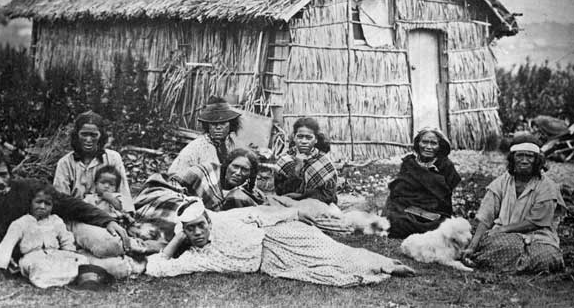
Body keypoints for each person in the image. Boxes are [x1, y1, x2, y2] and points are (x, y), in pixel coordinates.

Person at [145, 198, 415, 286]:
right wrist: (178, 238)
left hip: (279, 235)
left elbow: (261, 215)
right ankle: (376, 268)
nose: (198, 233)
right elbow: (157, 268)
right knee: (322, 273)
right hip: (269, 262)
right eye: (190, 230)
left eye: (200, 225)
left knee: (331, 251)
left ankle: (385, 263)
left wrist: (296, 213)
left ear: (209, 221)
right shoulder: (197, 257)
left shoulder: (227, 219)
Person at [0, 144, 128, 275]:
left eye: (3, 174)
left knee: (112, 244)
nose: (0, 181)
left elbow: (68, 203)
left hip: (64, 230)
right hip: (44, 255)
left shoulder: (29, 188)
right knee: (116, 268)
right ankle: (134, 262)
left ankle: (139, 246)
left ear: (10, 172)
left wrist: (106, 220)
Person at [462, 134, 566, 273]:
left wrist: (504, 229)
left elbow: (536, 221)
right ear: (513, 159)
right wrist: (472, 246)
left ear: (537, 160)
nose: (524, 160)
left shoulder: (547, 186)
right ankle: (522, 265)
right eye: (519, 156)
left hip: (539, 235)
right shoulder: (501, 183)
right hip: (504, 237)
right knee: (505, 245)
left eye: (529, 156)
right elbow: (486, 217)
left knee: (546, 256)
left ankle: (503, 264)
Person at [0, 183, 87, 288]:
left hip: (53, 255)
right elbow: (7, 245)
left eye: (47, 204)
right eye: (38, 202)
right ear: (30, 203)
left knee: (81, 260)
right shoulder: (21, 223)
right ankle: (57, 279)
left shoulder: (56, 221)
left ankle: (64, 277)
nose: (42, 206)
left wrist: (69, 254)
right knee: (38, 266)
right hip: (32, 258)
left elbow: (66, 239)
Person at [383, 127, 461, 238]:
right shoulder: (409, 163)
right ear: (418, 144)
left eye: (433, 143)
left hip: (434, 212)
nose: (428, 147)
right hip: (408, 210)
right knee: (395, 220)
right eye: (424, 142)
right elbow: (398, 192)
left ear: (440, 146)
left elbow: (445, 198)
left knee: (443, 225)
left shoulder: (446, 166)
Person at [54, 111, 134, 213]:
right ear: (76, 135)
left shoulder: (113, 158)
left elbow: (124, 193)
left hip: (110, 214)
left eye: (93, 135)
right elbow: (61, 202)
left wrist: (128, 217)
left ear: (101, 136)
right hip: (77, 217)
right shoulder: (65, 163)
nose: (88, 139)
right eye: (84, 134)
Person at [167, 96, 241, 180]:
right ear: (207, 125)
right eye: (214, 124)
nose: (218, 127)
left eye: (223, 123)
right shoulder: (201, 146)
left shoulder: (228, 144)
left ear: (231, 124)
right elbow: (174, 174)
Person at [274, 117, 338, 205]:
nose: (304, 141)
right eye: (300, 137)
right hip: (288, 205)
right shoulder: (284, 161)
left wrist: (301, 197)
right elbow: (280, 192)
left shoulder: (324, 162)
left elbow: (329, 195)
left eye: (309, 138)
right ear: (294, 138)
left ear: (315, 140)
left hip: (318, 205)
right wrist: (297, 168)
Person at [178, 148, 265, 211]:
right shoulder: (205, 172)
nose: (238, 173)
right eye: (235, 166)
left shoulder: (245, 191)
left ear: (250, 174)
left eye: (245, 170)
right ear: (227, 165)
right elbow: (174, 184)